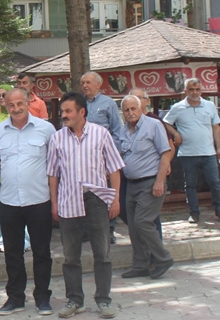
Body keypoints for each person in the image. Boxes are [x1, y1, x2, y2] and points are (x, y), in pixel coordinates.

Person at [47, 92, 123, 319]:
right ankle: (74, 300)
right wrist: (54, 202)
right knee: (71, 256)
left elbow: (114, 169)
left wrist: (115, 199)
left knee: (102, 253)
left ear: (82, 112)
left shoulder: (101, 134)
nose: (64, 116)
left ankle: (104, 300)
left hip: (97, 200)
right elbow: (53, 174)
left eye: (68, 111)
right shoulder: (57, 138)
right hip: (68, 200)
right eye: (62, 112)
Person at [0, 88, 55, 316]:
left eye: (20, 103)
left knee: (42, 252)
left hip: (39, 201)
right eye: (11, 104)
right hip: (8, 202)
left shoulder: (46, 129)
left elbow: (55, 166)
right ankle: (15, 298)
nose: (16, 108)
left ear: (28, 103)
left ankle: (43, 298)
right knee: (12, 253)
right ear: (5, 105)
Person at [118, 95, 174, 280]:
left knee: (143, 221)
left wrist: (159, 182)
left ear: (141, 107)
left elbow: (165, 154)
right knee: (134, 226)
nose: (130, 113)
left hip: (150, 182)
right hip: (131, 184)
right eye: (127, 110)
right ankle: (141, 265)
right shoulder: (122, 131)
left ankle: (163, 258)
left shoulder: (153, 125)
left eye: (134, 108)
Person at [162, 78, 220, 223]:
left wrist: (219, 147)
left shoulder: (210, 106)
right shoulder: (178, 107)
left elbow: (216, 127)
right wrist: (175, 134)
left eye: (198, 89)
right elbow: (165, 123)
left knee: (215, 182)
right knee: (190, 185)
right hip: (188, 153)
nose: (195, 92)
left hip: (209, 152)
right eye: (191, 90)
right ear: (186, 91)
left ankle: (218, 210)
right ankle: (194, 213)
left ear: (201, 90)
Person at [81, 71, 123, 243]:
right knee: (84, 192)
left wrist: (111, 159)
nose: (85, 86)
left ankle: (109, 229)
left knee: (105, 193)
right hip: (82, 157)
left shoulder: (108, 103)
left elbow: (117, 131)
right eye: (83, 83)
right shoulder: (79, 103)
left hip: (103, 156)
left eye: (88, 82)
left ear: (99, 84)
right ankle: (86, 230)